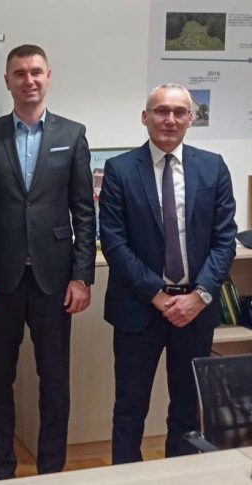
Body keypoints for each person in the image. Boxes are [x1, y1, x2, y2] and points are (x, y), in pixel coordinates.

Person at [0, 44, 96, 478]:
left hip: (55, 282)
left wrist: (81, 276)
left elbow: (84, 211)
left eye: (36, 71)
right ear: (7, 81)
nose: (29, 80)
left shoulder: (72, 135)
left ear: (48, 76)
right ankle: (2, 469)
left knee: (55, 382)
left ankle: (51, 469)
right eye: (20, 73)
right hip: (0, 280)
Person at [99, 83, 237, 464]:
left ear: (191, 119)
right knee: (129, 409)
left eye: (179, 112)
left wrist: (200, 296)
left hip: (195, 311)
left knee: (188, 411)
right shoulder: (120, 170)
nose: (169, 119)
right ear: (145, 117)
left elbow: (225, 240)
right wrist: (157, 295)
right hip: (138, 309)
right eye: (161, 111)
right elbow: (113, 242)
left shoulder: (213, 167)